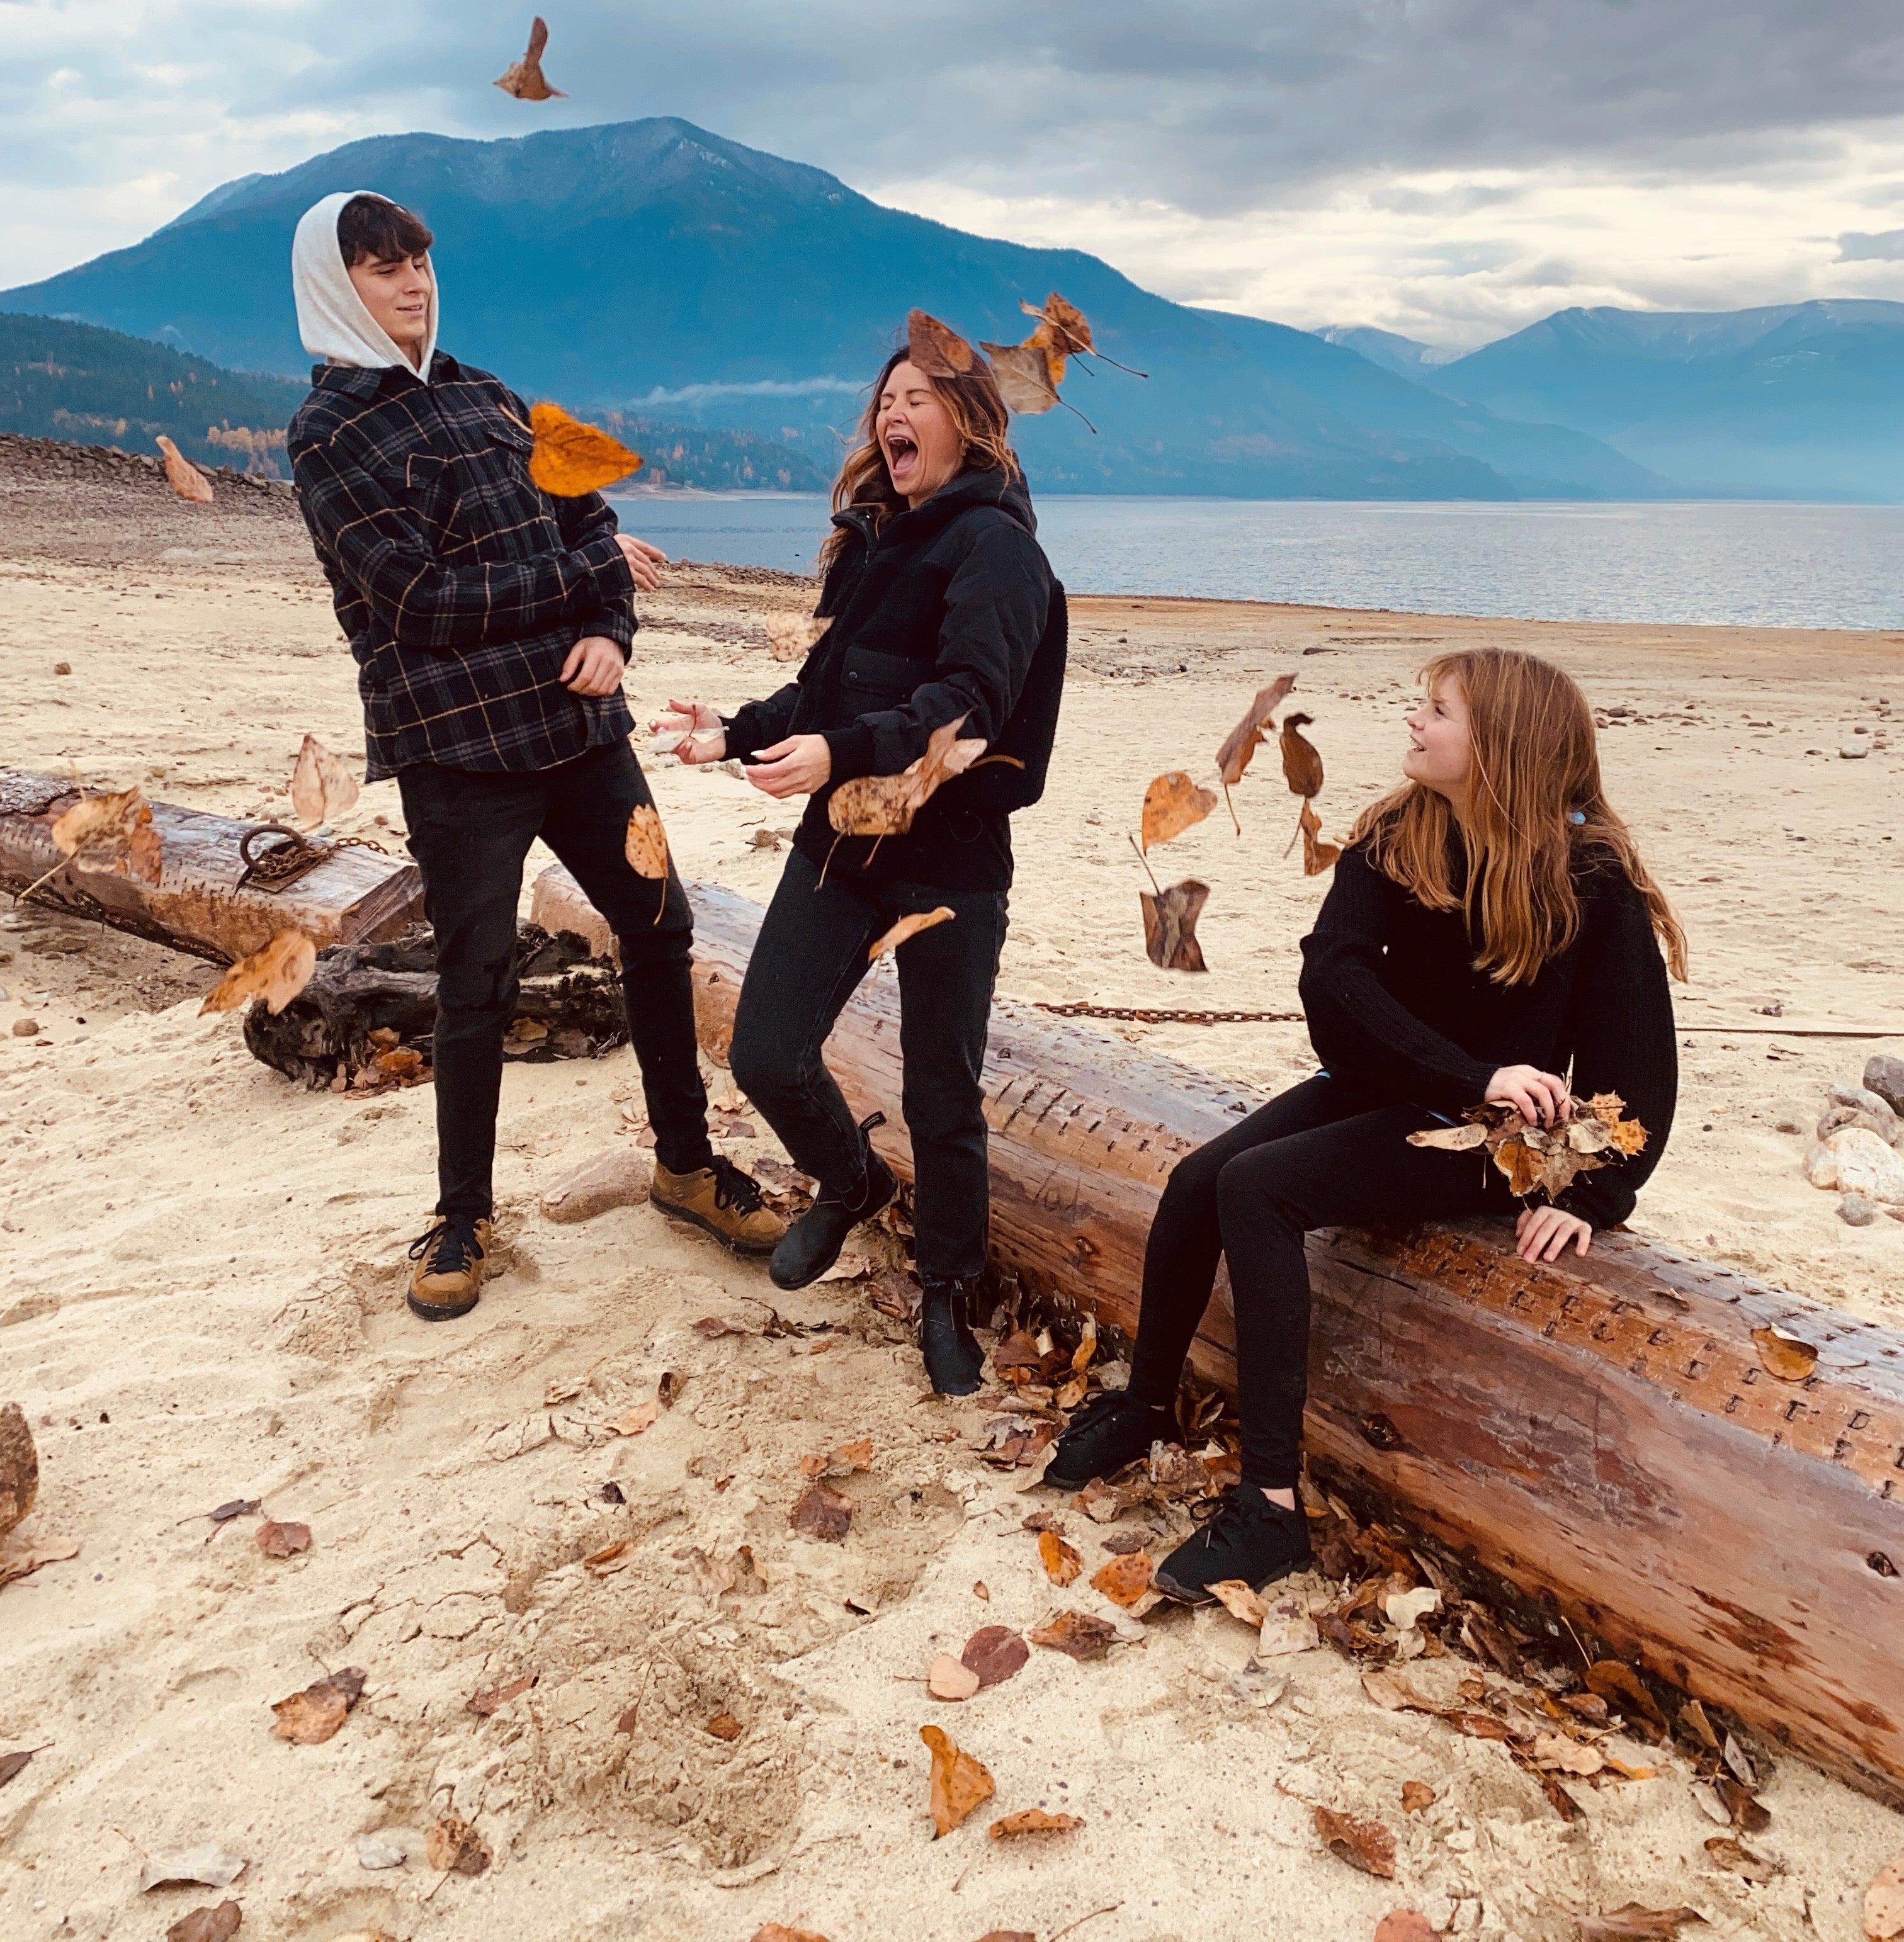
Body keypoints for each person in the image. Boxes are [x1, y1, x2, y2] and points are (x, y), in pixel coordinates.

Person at [1044, 645, 1686, 1600]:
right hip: (1399, 1084)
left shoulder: (1590, 878)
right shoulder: (1399, 831)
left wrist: (1596, 1192)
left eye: (1437, 711)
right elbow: (1333, 979)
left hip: (1495, 1142)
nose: (1414, 722)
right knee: (1194, 1184)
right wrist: (1470, 1069)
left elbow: (1641, 1072)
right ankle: (1147, 1405)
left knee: (1258, 1190)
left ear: (1501, 743)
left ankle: (1270, 1506)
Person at [286, 189, 783, 1321]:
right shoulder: (329, 434)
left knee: (661, 927)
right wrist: (576, 593)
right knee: (476, 982)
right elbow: (415, 601)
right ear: (335, 285)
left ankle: (686, 1166)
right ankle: (462, 1218)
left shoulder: (493, 396)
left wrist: (610, 631)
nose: (411, 283)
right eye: (380, 268)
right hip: (457, 750)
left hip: (580, 732)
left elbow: (594, 530)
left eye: (418, 259)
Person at [654, 338, 1067, 1396]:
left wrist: (841, 753)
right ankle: (851, 1181)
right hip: (842, 845)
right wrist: (735, 733)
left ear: (968, 421)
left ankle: (947, 1293)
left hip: (951, 861)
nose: (895, 415)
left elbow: (970, 704)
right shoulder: (870, 540)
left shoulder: (998, 552)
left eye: (918, 398)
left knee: (943, 1092)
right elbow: (825, 692)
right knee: (766, 1053)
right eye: (887, 400)